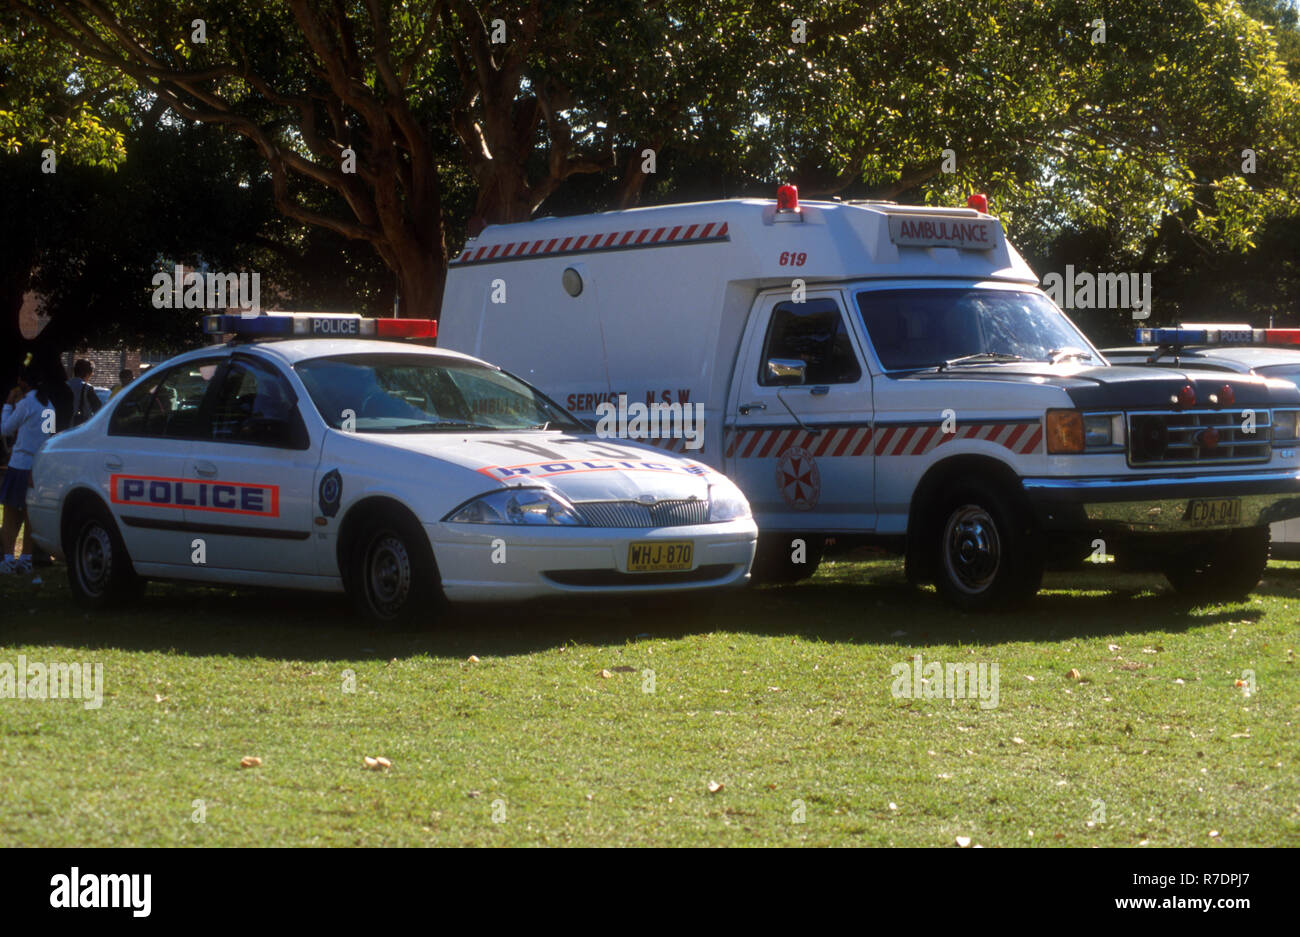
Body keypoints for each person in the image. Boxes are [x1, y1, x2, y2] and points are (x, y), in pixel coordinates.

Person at [1, 366, 52, 574]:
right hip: (38, 465)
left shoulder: (25, 403)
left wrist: (7, 405)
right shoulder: (49, 405)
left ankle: (7, 559)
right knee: (31, 516)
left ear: (23, 382)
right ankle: (26, 559)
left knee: (11, 516)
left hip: (20, 464)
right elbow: (49, 436)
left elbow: (5, 429)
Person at [67, 358, 102, 427]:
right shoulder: (87, 388)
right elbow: (98, 409)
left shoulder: (65, 385)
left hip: (64, 426)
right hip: (80, 426)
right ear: (88, 374)